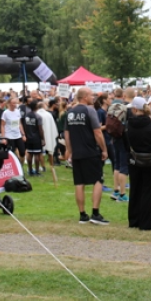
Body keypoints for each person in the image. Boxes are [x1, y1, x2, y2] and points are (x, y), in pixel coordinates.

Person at [64, 87, 108, 225]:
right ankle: (95, 213)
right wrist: (104, 149)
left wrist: (70, 151)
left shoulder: (70, 113)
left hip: (77, 152)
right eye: (91, 95)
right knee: (98, 180)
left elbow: (67, 135)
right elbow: (98, 132)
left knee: (79, 183)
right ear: (84, 97)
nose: (93, 97)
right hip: (90, 151)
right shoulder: (90, 110)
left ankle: (82, 214)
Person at [126, 96, 151, 230]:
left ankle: (134, 220)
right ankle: (147, 222)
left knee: (135, 189)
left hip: (134, 160)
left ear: (135, 109)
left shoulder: (129, 125)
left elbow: (125, 142)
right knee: (149, 191)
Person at [21, 100, 45, 175]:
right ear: (36, 107)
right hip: (36, 138)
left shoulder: (27, 115)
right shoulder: (38, 116)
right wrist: (43, 139)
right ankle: (37, 171)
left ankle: (30, 170)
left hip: (28, 137)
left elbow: (25, 126)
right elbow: (40, 129)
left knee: (30, 154)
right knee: (37, 154)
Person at [0, 97, 26, 167]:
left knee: (22, 152)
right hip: (9, 136)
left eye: (16, 103)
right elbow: (2, 125)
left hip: (18, 135)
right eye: (13, 103)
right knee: (12, 153)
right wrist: (3, 138)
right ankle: (14, 166)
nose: (15, 104)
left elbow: (19, 123)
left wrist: (23, 134)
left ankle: (20, 166)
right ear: (9, 103)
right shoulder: (5, 113)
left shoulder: (17, 111)